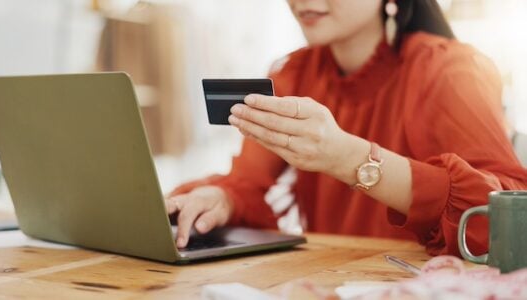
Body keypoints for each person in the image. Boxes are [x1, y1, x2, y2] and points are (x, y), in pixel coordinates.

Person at [165, 0, 527, 256]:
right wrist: (222, 199)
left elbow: (510, 216)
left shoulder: (450, 71)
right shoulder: (292, 73)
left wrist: (351, 159)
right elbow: (248, 181)